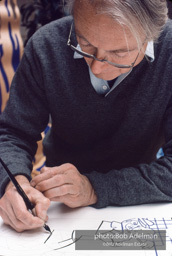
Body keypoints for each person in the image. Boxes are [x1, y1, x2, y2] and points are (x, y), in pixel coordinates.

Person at [0, 0, 171, 232]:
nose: (97, 69)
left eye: (119, 52)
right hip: (60, 205)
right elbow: (13, 133)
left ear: (152, 35)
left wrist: (93, 188)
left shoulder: (169, 52)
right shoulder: (47, 45)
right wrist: (13, 183)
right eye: (85, 44)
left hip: (144, 201)